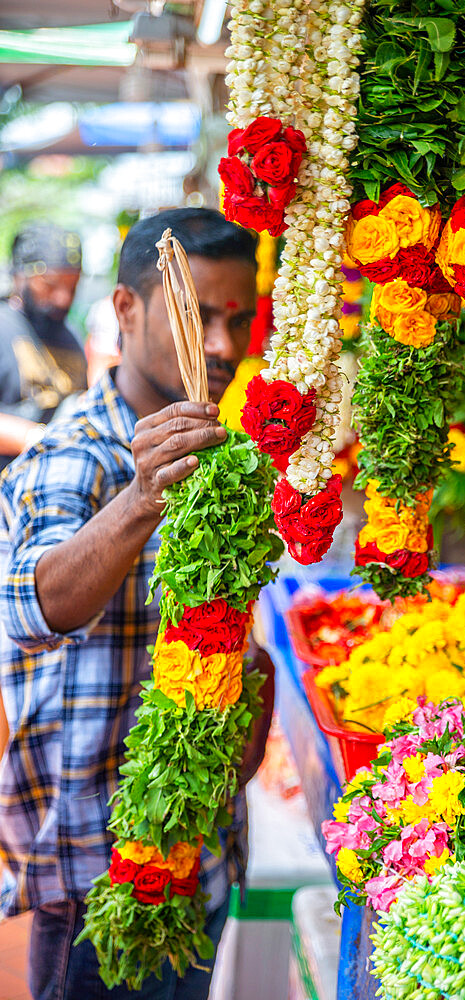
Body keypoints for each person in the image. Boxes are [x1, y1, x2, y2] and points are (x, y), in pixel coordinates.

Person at [0, 208, 272, 1000]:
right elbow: (29, 607)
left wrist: (255, 685)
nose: (221, 349)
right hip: (95, 876)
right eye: (199, 317)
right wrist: (141, 497)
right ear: (126, 310)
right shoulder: (74, 452)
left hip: (204, 857)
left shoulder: (225, 456)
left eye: (239, 320)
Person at [0, 223, 88, 469]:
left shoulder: (70, 335)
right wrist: (34, 438)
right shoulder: (4, 325)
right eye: (50, 285)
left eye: (72, 287)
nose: (64, 298)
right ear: (19, 274)